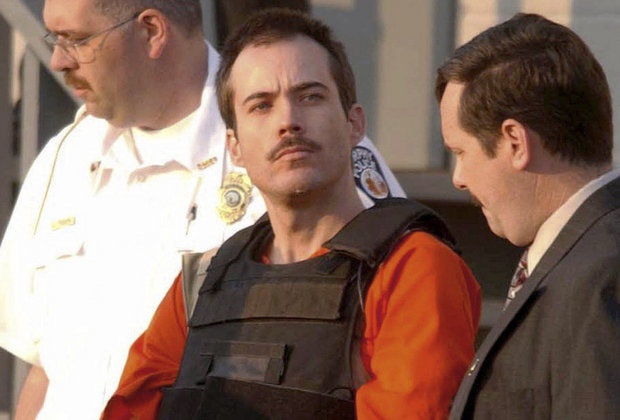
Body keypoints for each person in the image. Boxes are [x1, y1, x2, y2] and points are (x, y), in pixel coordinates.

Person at [0, 1, 404, 419]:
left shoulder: (300, 147)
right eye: (56, 39)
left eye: (77, 40)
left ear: (151, 31)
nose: (58, 59)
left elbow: (383, 343)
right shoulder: (64, 157)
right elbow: (45, 369)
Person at [103, 8, 481, 419]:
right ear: (234, 147)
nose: (288, 121)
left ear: (354, 124)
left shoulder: (413, 269)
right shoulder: (199, 285)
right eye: (261, 106)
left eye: (310, 97)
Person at [436, 13, 620, 419]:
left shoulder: (598, 281)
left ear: (515, 142)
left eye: (461, 152)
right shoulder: (583, 264)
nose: (458, 178)